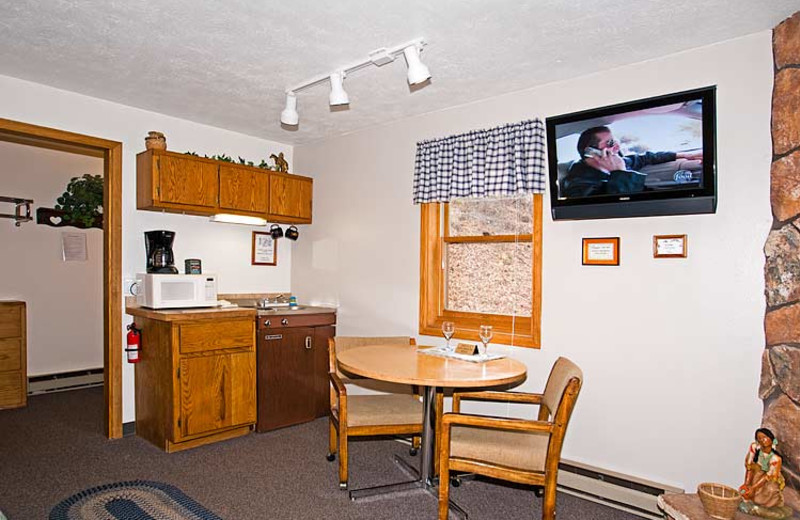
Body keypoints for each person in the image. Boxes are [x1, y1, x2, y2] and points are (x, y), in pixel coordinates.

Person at [560, 126, 702, 198]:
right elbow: (618, 208)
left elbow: (645, 158)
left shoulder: (617, 162)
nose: (617, 147)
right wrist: (619, 173)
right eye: (610, 143)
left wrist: (685, 155)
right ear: (591, 152)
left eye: (616, 141)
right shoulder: (578, 185)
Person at [738, 428, 793, 519]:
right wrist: (747, 484)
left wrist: (753, 488)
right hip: (755, 476)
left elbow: (768, 476)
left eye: (765, 437)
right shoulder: (754, 448)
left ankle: (767, 508)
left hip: (768, 480)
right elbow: (749, 467)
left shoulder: (776, 459)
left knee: (771, 491)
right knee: (745, 493)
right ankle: (749, 502)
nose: (762, 440)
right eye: (759, 438)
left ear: (772, 439)